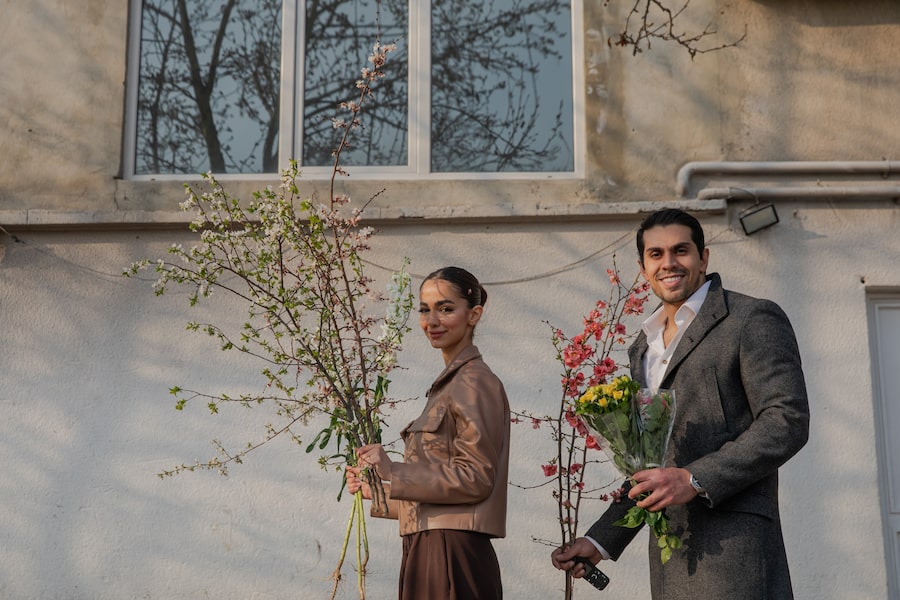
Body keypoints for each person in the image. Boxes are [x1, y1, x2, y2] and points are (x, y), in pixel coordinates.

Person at [551, 209, 810, 599]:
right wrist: (600, 541)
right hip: (671, 558)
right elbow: (650, 463)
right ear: (643, 267)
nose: (668, 263)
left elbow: (786, 420)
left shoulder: (750, 318)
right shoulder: (643, 347)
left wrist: (694, 478)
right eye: (656, 254)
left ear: (703, 257)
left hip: (736, 552)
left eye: (680, 251)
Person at [348, 266, 510, 600]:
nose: (432, 321)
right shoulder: (448, 386)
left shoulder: (473, 381)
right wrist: (375, 491)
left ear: (473, 314)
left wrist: (395, 470)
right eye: (424, 309)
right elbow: (438, 501)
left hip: (451, 554)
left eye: (446, 309)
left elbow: (476, 478)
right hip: (429, 548)